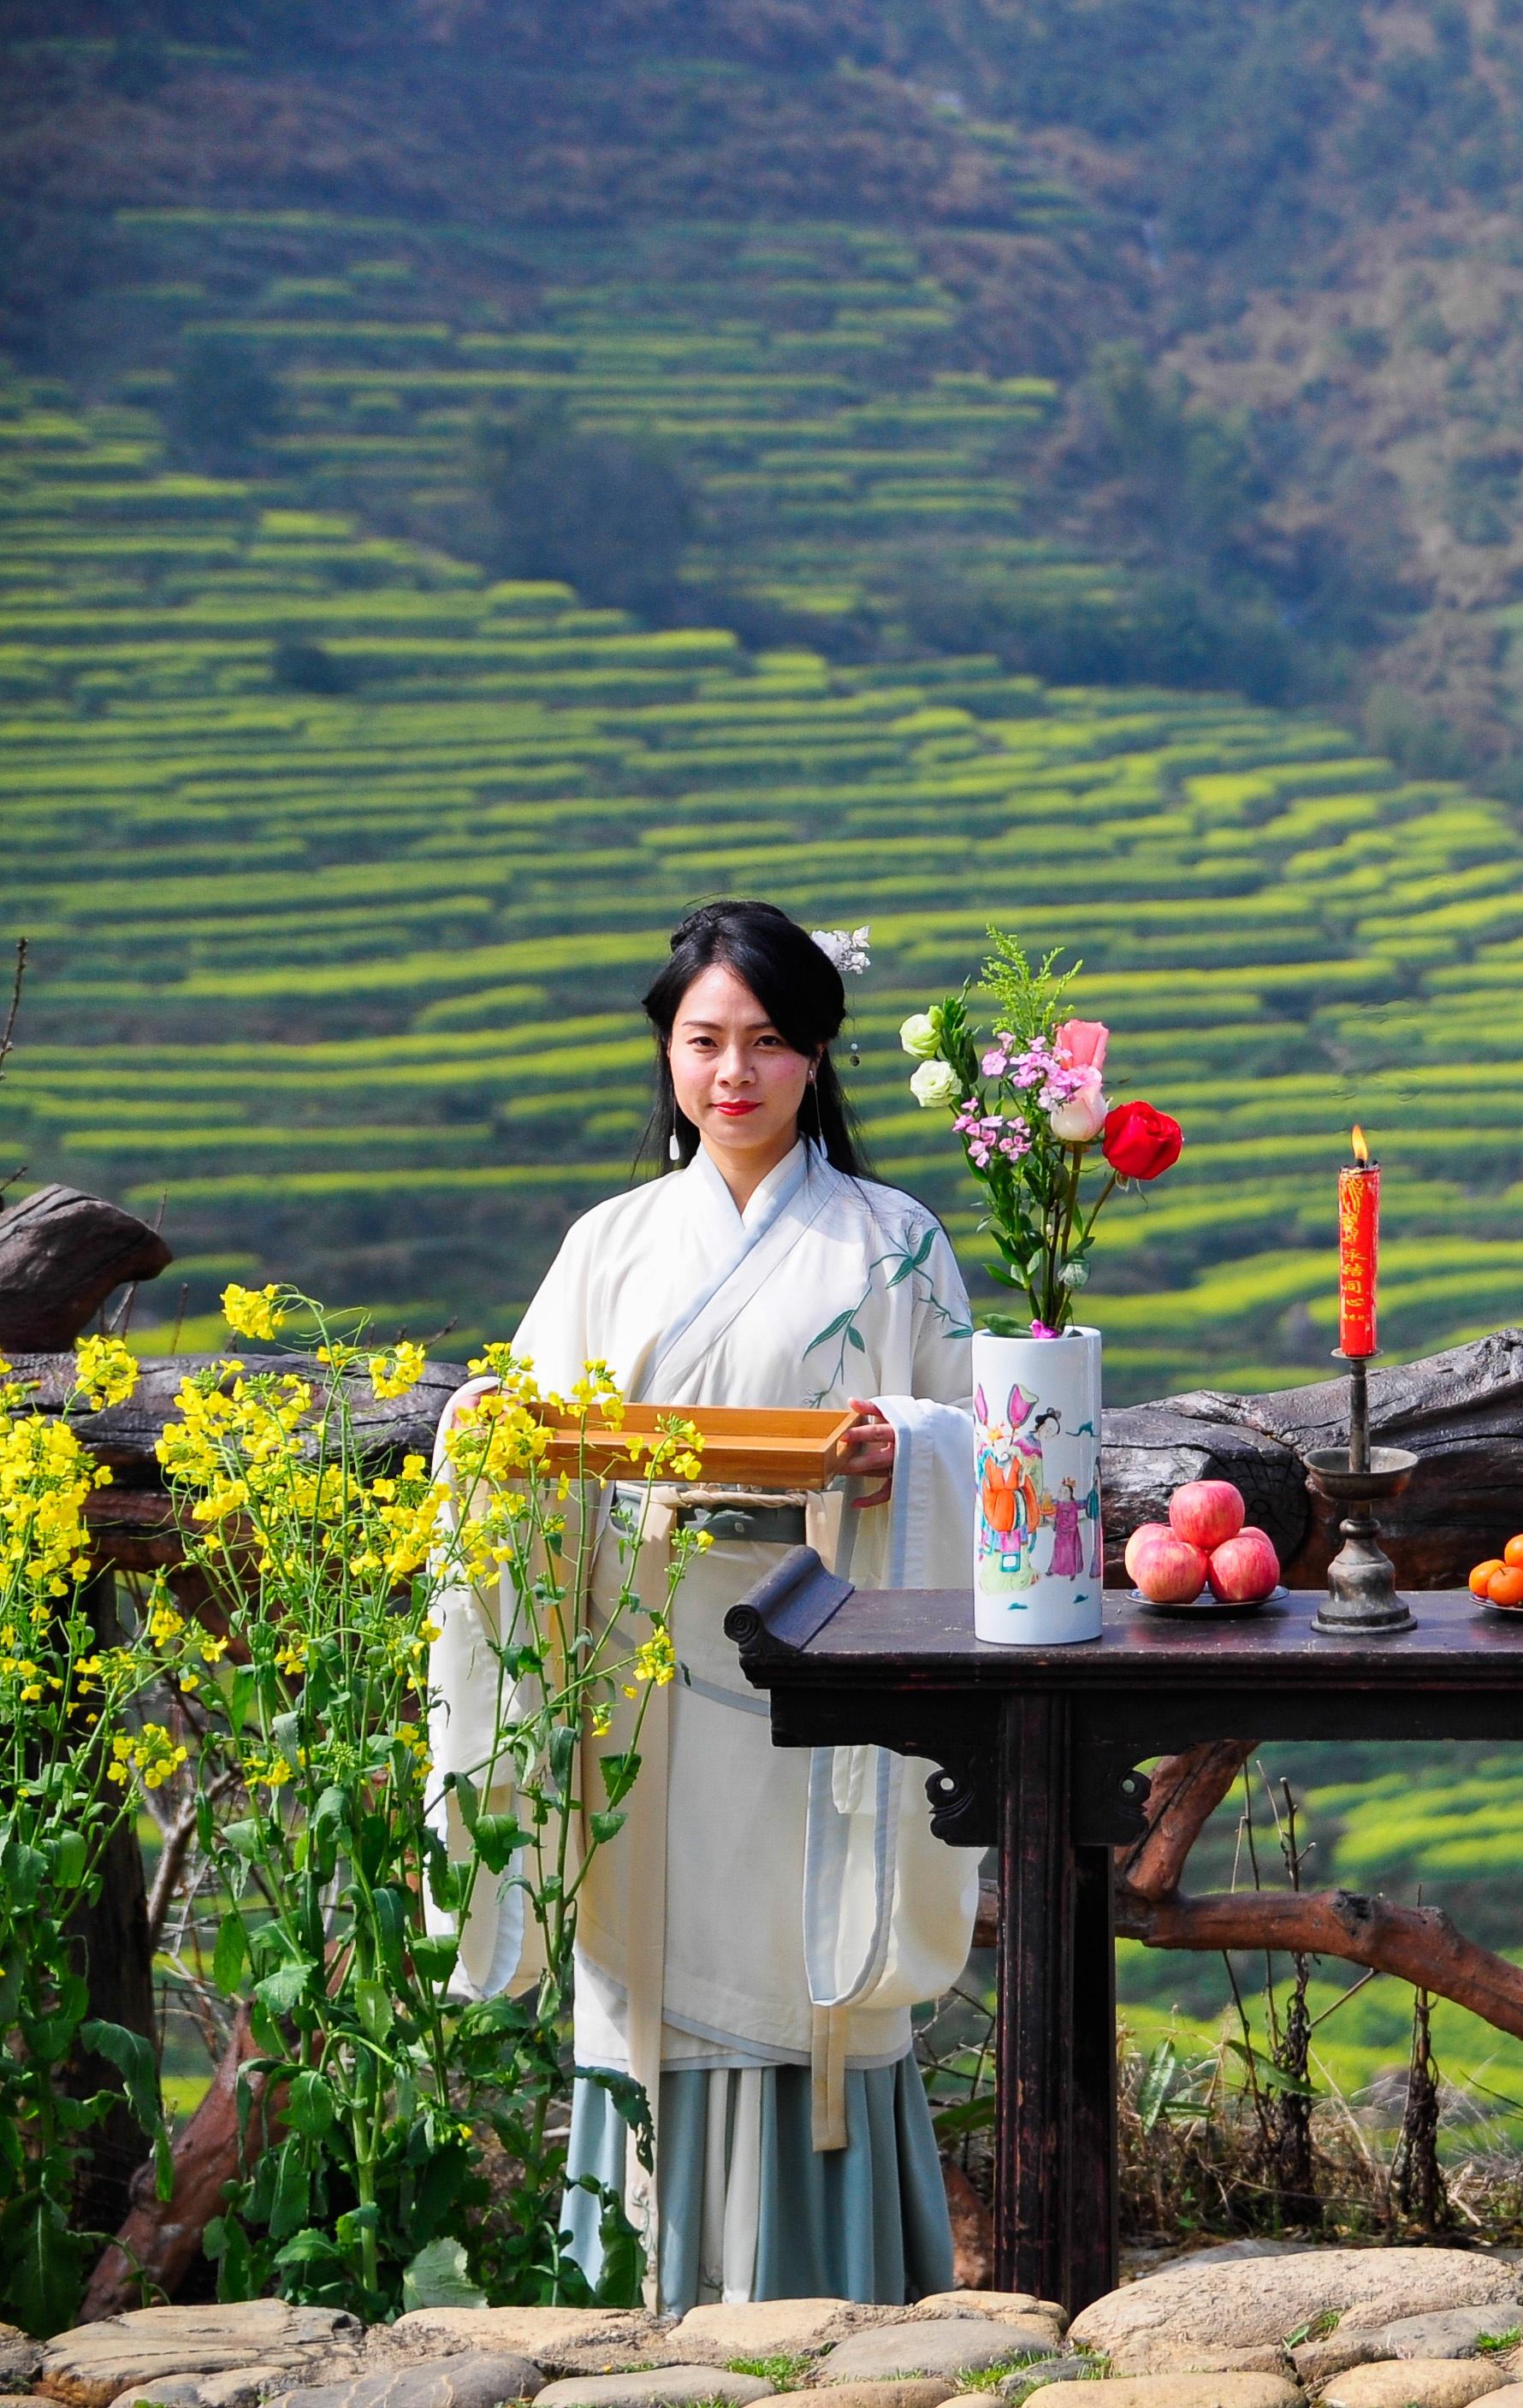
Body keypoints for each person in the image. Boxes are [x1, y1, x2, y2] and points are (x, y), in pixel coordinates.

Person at [427, 901, 983, 2304]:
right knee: (653, 1959)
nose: (733, 1074)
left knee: (816, 1970)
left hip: (828, 1650)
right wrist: (495, 1432)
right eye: (704, 1042)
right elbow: (533, 1427)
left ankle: (837, 2300)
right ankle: (639, 2299)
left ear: (817, 1058)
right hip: (643, 1660)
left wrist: (903, 1446)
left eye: (768, 1044)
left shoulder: (896, 1241)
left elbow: (983, 1440)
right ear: (668, 1056)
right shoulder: (608, 1245)